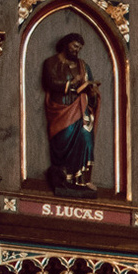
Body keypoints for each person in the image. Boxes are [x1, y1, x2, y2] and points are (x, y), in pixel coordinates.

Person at [40, 32, 101, 197]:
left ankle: (83, 179)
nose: (76, 50)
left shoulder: (83, 65)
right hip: (62, 108)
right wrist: (70, 84)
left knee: (86, 138)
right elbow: (49, 82)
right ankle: (63, 175)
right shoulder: (51, 62)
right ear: (66, 44)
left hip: (82, 109)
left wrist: (93, 92)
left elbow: (90, 87)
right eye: (74, 46)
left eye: (79, 48)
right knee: (63, 139)